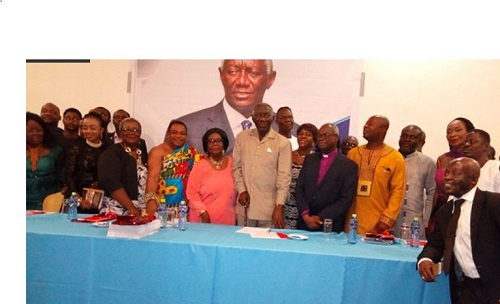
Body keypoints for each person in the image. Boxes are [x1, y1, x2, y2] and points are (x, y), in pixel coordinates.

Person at [417, 157, 500, 304]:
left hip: (494, 285)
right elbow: (435, 244)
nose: (447, 177)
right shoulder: (445, 211)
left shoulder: (493, 203)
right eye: (447, 173)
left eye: (455, 174)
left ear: (474, 180)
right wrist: (425, 259)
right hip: (464, 287)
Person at [177, 60, 277, 155]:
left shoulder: (288, 130)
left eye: (254, 73)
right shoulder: (186, 129)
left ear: (270, 79)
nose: (242, 82)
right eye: (232, 72)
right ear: (221, 75)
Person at [232, 103, 292, 228]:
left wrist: (279, 206)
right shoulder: (242, 137)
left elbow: (284, 178)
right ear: (253, 118)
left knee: (266, 245)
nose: (262, 119)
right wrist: (241, 190)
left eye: (266, 115)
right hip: (245, 208)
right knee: (242, 246)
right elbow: (236, 168)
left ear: (273, 118)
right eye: (258, 115)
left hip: (269, 211)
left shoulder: (282, 143)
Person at [344, 115, 406, 235]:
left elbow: (398, 191)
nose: (365, 126)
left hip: (378, 224)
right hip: (351, 221)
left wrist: (387, 219)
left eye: (370, 124)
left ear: (382, 129)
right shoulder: (353, 154)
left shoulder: (395, 158)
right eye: (366, 123)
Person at [295, 123, 358, 232]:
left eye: (325, 135)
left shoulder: (349, 166)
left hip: (330, 225)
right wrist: (305, 215)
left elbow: (345, 199)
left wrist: (320, 217)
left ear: (336, 138)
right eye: (319, 136)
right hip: (304, 222)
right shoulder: (310, 159)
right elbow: (299, 188)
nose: (321, 139)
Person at [145, 120, 203, 215]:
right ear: (168, 134)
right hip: (162, 204)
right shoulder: (157, 152)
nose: (178, 136)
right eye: (174, 132)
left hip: (186, 205)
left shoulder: (192, 153)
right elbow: (153, 177)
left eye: (182, 133)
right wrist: (150, 200)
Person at [429, 117, 475, 233]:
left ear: (469, 133)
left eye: (458, 130)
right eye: (449, 132)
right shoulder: (443, 159)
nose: (452, 134)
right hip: (443, 210)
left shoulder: (475, 160)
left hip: (468, 211)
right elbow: (437, 191)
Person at [98, 118, 148, 215]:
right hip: (118, 209)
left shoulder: (142, 153)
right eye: (126, 129)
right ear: (119, 133)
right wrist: (131, 208)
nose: (131, 132)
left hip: (140, 208)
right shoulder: (111, 153)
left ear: (140, 133)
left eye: (135, 130)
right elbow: (111, 183)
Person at [394, 125, 436, 240]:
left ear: (419, 141)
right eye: (404, 136)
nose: (407, 139)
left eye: (413, 137)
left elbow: (431, 193)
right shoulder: (390, 157)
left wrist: (426, 222)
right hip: (389, 220)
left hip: (414, 221)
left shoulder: (427, 162)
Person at [186, 128, 236, 225]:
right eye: (211, 141)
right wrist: (202, 212)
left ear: (224, 143)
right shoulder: (200, 166)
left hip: (227, 217)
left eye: (218, 140)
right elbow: (191, 193)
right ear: (206, 146)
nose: (215, 144)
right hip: (204, 218)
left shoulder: (233, 164)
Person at [63, 112, 108, 213]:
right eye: (85, 128)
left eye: (93, 128)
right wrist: (78, 199)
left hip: (102, 200)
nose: (88, 131)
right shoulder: (76, 148)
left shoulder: (108, 149)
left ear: (101, 130)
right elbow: (68, 175)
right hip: (77, 199)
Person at [26, 112, 64, 210]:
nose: (36, 133)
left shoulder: (56, 151)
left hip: (50, 204)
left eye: (39, 130)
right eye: (31, 131)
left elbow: (63, 178)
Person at [284, 123, 318, 229]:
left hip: (305, 206)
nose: (303, 136)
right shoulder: (287, 154)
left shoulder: (316, 160)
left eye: (307, 134)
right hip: (286, 202)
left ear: (314, 140)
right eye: (300, 134)